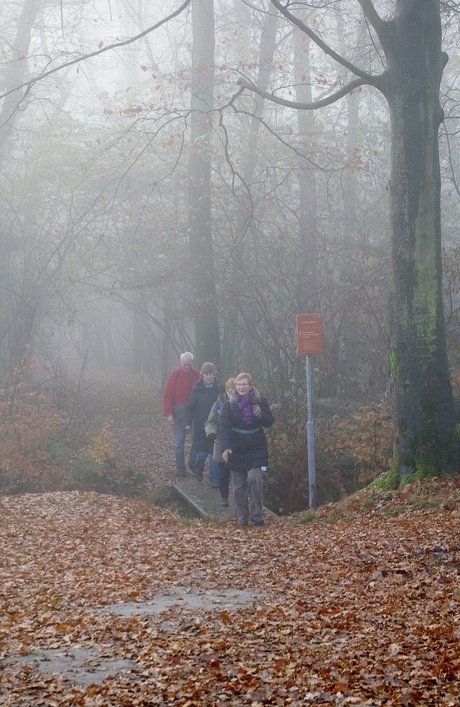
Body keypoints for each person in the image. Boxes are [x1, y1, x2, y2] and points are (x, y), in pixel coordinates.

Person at [220, 372, 274, 526]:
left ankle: (257, 514)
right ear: (235, 386)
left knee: (254, 478)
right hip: (237, 447)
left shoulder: (260, 401)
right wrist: (225, 448)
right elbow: (224, 427)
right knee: (239, 486)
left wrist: (260, 415)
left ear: (250, 386)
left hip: (256, 445)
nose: (241, 387)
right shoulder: (229, 404)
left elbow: (270, 421)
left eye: (244, 384)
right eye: (239, 384)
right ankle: (242, 518)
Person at [162, 352, 200, 478]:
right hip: (178, 414)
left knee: (196, 441)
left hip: (194, 414)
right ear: (180, 363)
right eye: (184, 364)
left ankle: (192, 464)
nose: (186, 367)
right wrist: (169, 414)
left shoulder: (197, 375)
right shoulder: (174, 375)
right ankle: (180, 469)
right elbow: (167, 396)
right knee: (179, 443)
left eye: (188, 364)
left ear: (192, 363)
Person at [185, 362, 224, 484]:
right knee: (200, 454)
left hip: (215, 425)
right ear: (202, 375)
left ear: (214, 374)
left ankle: (214, 479)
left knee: (214, 454)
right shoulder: (196, 389)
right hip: (200, 426)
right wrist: (187, 422)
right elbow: (189, 406)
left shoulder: (220, 388)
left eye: (210, 374)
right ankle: (198, 470)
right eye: (206, 374)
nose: (208, 377)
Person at [205, 377, 236, 507]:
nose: (232, 395)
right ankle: (224, 496)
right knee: (223, 473)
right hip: (221, 443)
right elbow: (210, 421)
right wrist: (211, 433)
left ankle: (238, 497)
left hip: (237, 443)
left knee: (237, 473)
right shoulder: (218, 405)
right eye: (230, 392)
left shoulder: (242, 404)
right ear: (226, 391)